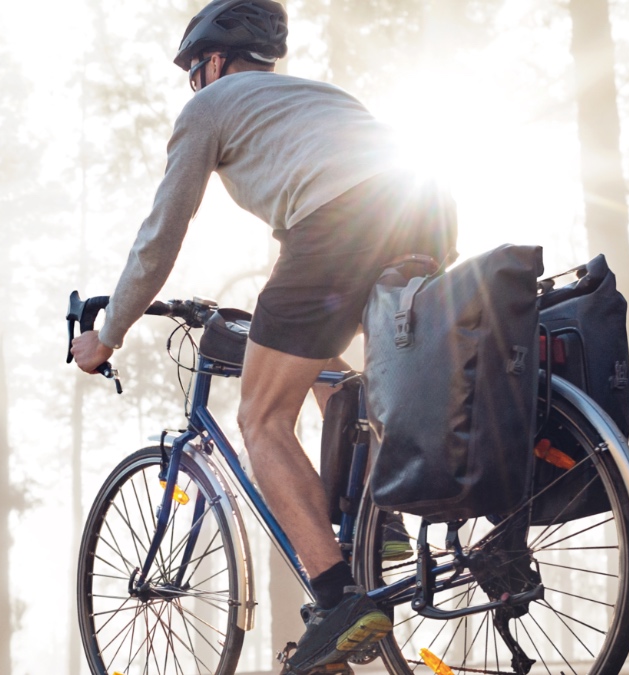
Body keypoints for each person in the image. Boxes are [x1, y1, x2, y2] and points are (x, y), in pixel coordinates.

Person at [70, 0, 456, 672]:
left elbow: (159, 238)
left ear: (214, 61)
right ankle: (381, 529)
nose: (197, 84)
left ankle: (339, 600)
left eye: (196, 72)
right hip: (427, 213)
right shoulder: (313, 97)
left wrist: (108, 332)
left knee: (260, 415)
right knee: (330, 377)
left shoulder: (209, 108)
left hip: (340, 223)